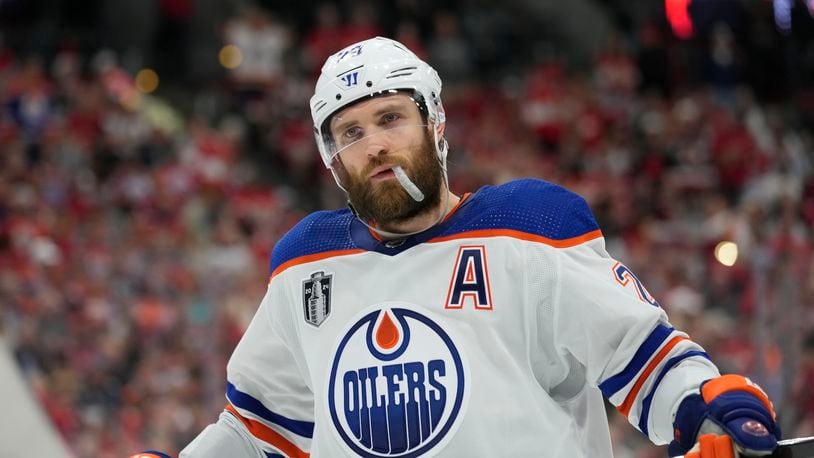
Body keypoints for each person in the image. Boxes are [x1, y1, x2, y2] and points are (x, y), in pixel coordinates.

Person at [173, 37, 780, 458]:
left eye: (391, 119)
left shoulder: (530, 227)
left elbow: (643, 357)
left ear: (435, 125)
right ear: (333, 159)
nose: (375, 145)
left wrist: (702, 405)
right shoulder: (306, 267)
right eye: (351, 133)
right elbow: (259, 433)